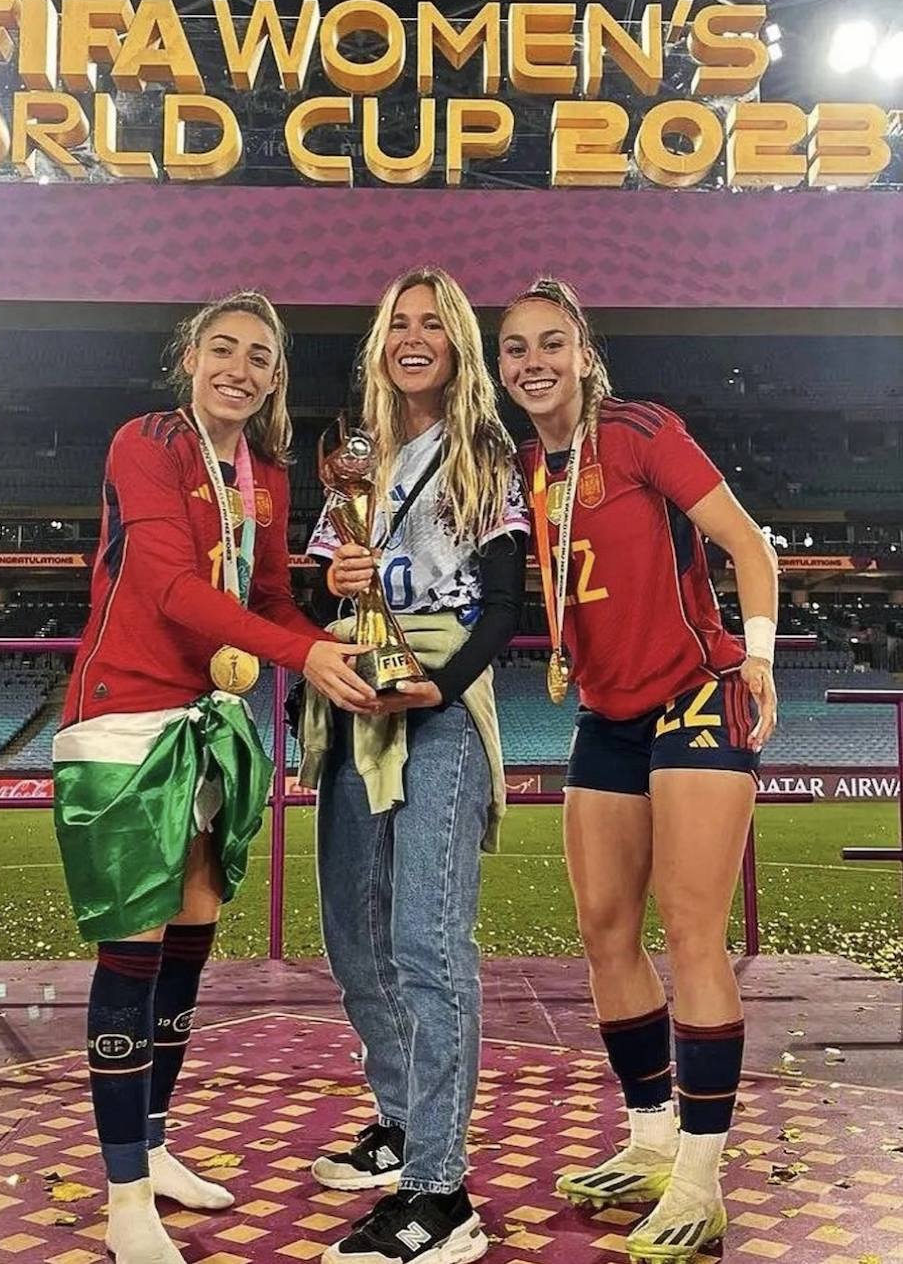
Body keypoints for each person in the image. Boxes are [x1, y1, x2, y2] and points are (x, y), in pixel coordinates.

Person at [53, 291, 373, 1264]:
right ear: (191, 355)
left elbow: (270, 595)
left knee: (192, 930)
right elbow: (167, 587)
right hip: (125, 716)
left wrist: (345, 641)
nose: (239, 366)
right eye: (222, 347)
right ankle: (121, 1198)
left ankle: (150, 1150)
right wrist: (301, 658)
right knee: (134, 944)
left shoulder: (266, 473)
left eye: (260, 356)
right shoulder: (143, 443)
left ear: (277, 378)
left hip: (217, 718)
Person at [497, 278, 779, 1262]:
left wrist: (762, 655)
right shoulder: (532, 466)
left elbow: (747, 545)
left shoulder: (642, 431)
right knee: (605, 930)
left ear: (582, 352)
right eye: (514, 349)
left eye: (550, 343)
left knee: (693, 931)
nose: (532, 362)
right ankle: (652, 1140)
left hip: (699, 690)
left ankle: (701, 1180)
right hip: (608, 712)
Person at [300, 267, 531, 1264]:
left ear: (459, 345)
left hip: (438, 701)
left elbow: (505, 594)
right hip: (353, 694)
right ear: (381, 339)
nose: (416, 337)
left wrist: (443, 684)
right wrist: (331, 584)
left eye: (436, 324)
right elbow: (316, 591)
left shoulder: (483, 451)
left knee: (431, 950)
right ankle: (401, 1125)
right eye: (402, 322)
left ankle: (443, 1195)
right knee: (357, 942)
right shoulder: (356, 451)